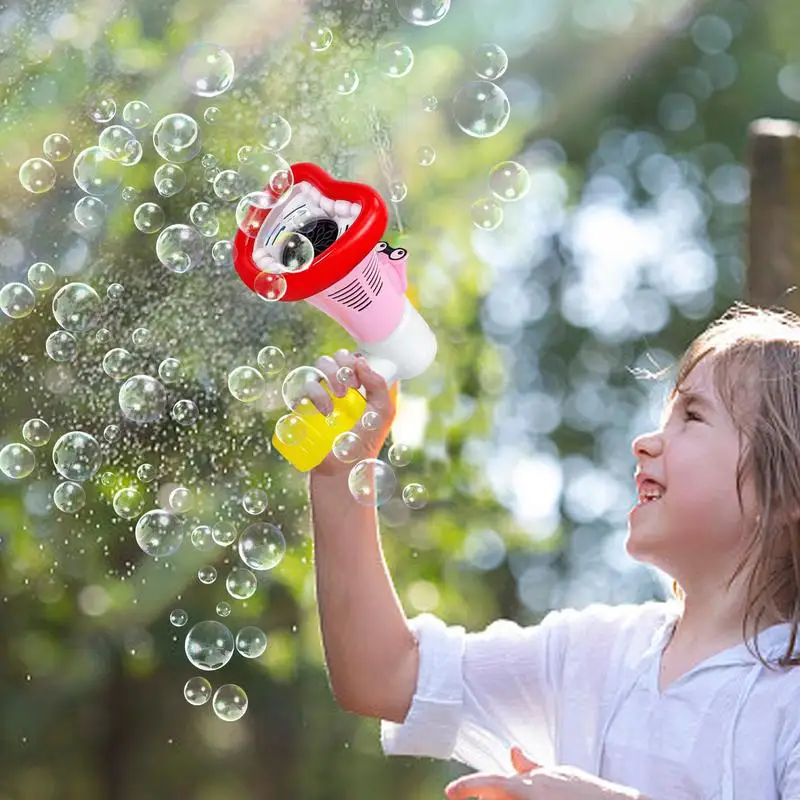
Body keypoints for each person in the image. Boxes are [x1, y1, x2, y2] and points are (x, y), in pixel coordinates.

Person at [306, 302, 800, 800]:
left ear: (787, 491)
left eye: (692, 416)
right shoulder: (591, 652)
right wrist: (338, 473)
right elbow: (383, 674)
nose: (645, 442)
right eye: (664, 416)